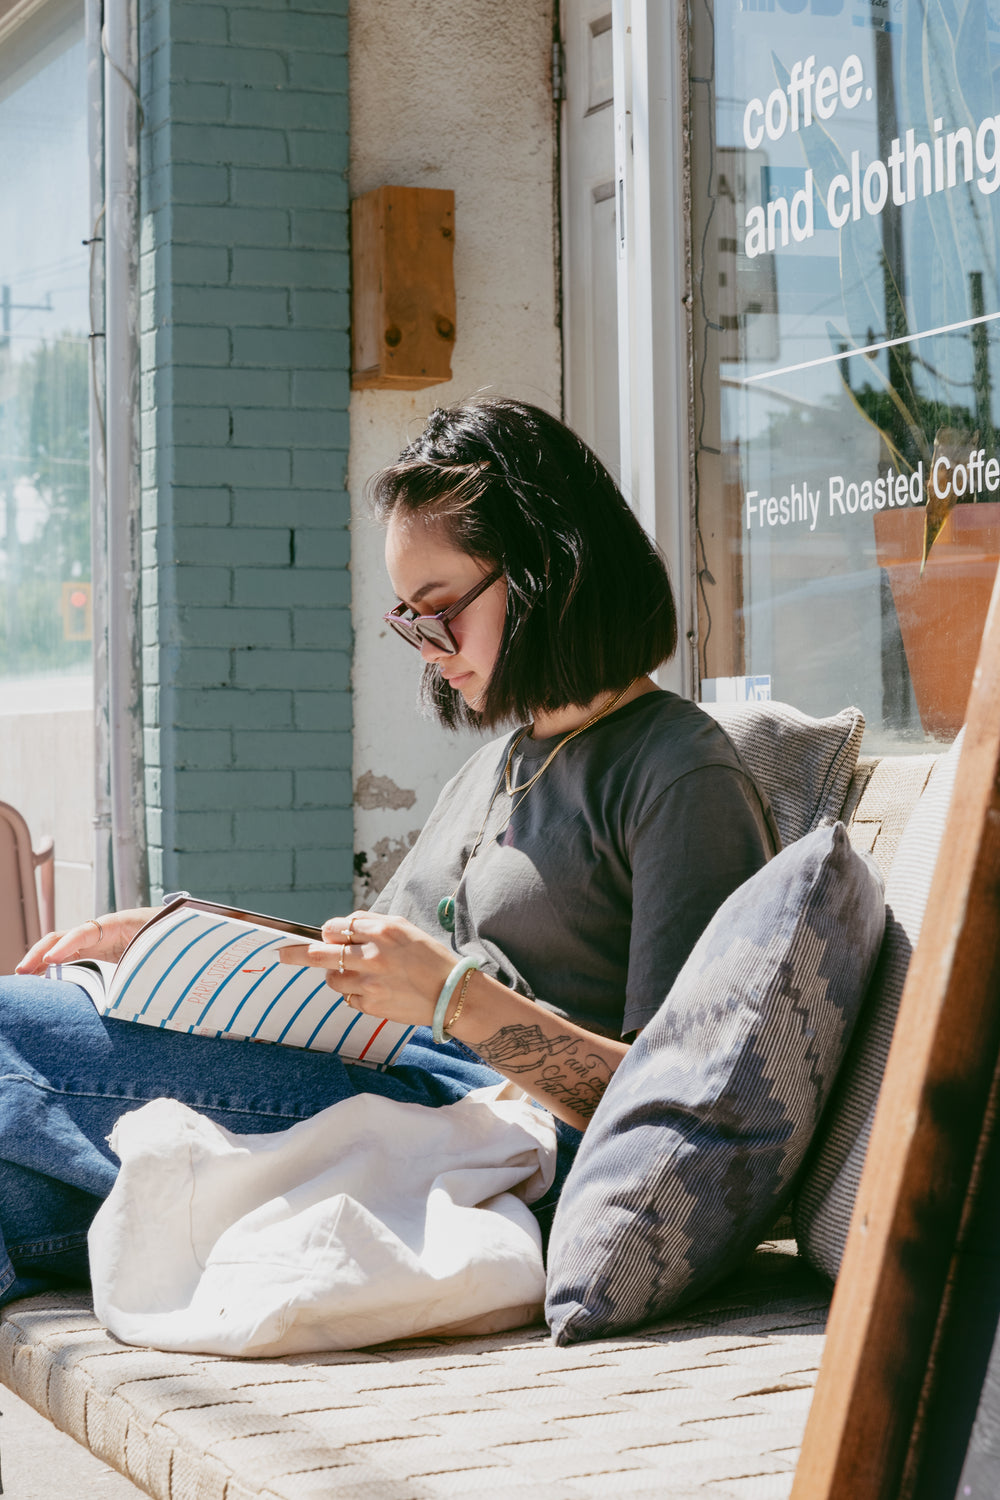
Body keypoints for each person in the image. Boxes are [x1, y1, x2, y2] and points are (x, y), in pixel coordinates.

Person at [8, 397, 777, 1306]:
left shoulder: (678, 773)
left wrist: (456, 998)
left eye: (442, 608)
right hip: (399, 1083)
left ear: (546, 572)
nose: (430, 648)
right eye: (411, 620)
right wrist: (199, 949)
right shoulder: (500, 766)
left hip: (499, 1135)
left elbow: (674, 1104)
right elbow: (382, 988)